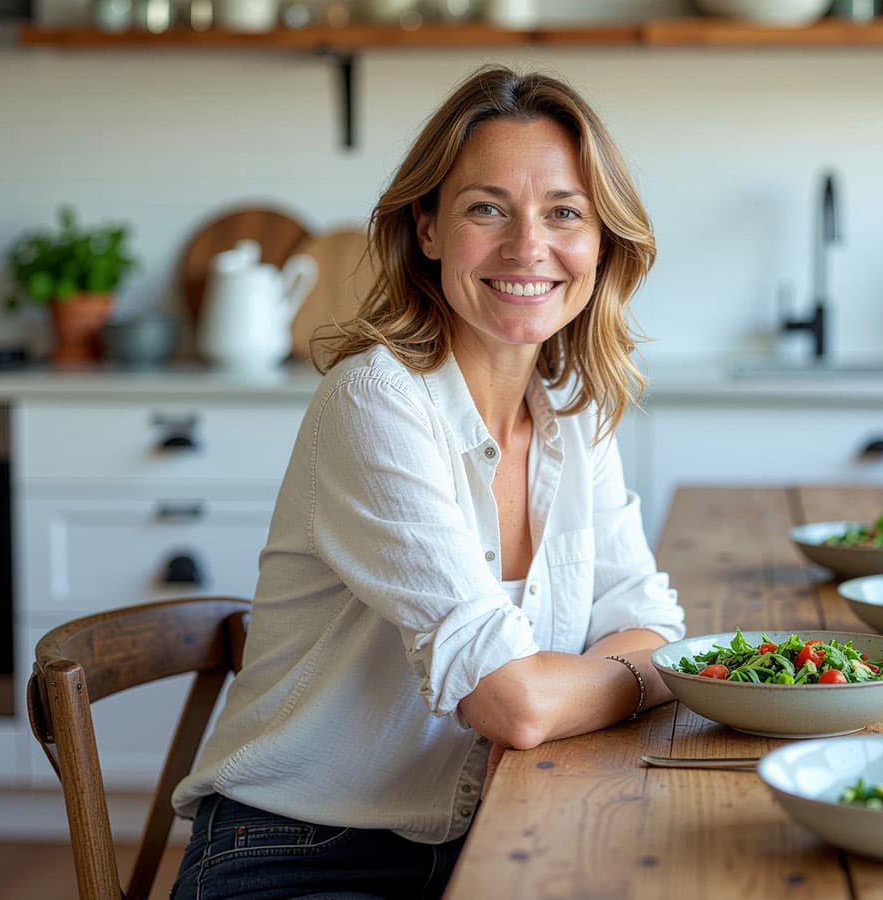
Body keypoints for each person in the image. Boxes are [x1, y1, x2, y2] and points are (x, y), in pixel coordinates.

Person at [169, 64, 685, 900]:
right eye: (488, 208)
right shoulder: (376, 401)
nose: (528, 247)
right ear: (429, 229)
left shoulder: (572, 407)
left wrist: (609, 672)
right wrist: (635, 675)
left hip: (492, 830)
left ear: (602, 242)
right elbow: (516, 707)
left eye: (564, 213)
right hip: (298, 856)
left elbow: (651, 619)